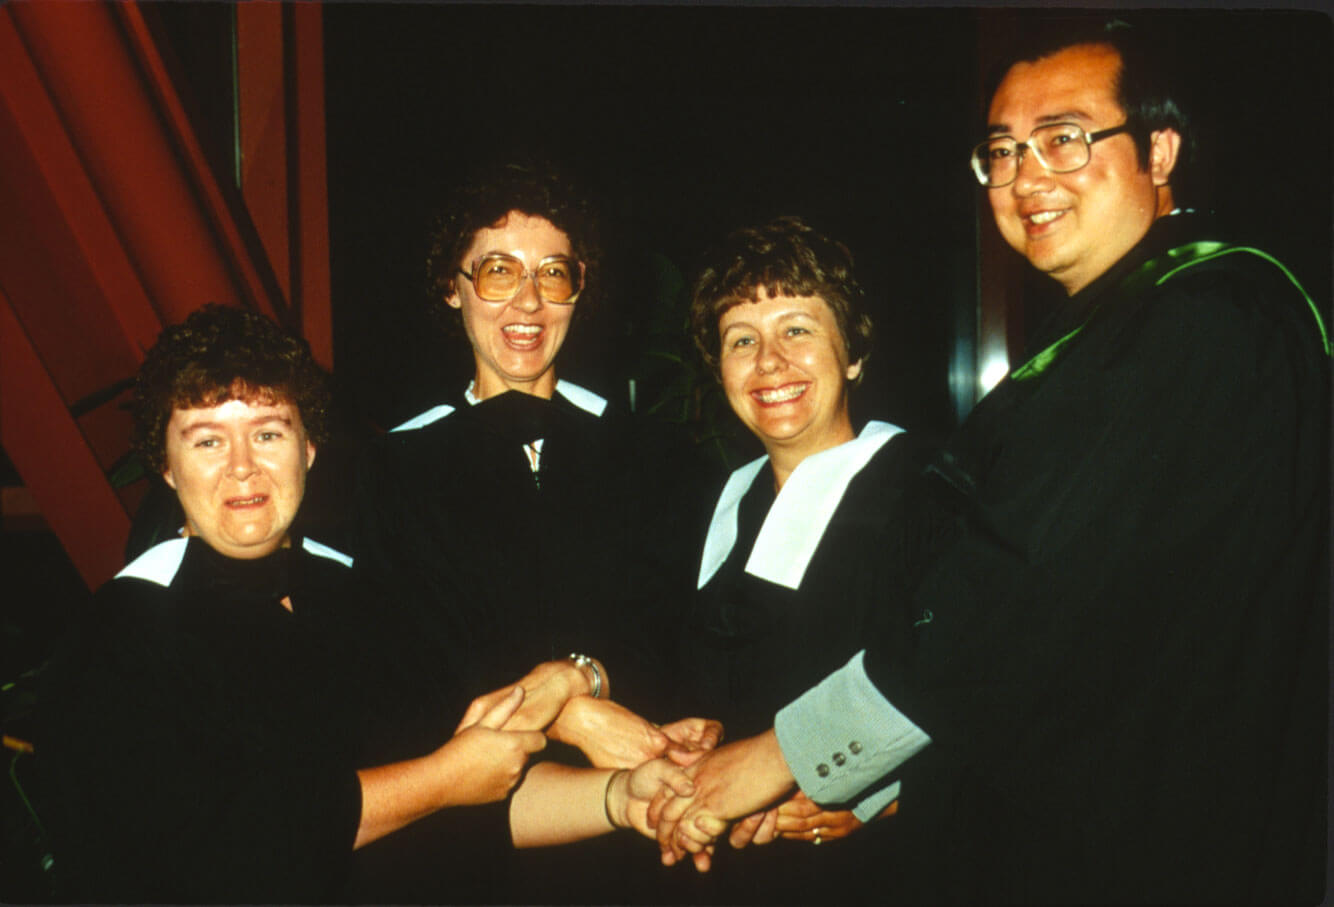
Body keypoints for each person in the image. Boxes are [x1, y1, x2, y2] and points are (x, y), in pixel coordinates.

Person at [650, 20, 1329, 904]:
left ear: (1160, 151)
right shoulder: (1123, 326)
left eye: (1065, 139)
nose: (1026, 176)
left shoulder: (1203, 319)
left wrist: (793, 764)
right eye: (1002, 151)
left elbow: (1015, 605)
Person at [33, 305, 695, 903]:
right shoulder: (122, 636)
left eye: (268, 432)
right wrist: (441, 777)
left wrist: (617, 798)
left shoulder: (364, 597)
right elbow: (230, 846)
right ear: (167, 467)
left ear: (309, 448)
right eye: (207, 440)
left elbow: (478, 789)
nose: (242, 466)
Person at [348, 161, 717, 901]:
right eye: (496, 270)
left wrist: (583, 677)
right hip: (472, 857)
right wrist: (576, 711)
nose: (526, 300)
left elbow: (683, 630)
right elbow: (412, 672)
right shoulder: (383, 474)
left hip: (648, 847)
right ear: (451, 288)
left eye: (553, 273)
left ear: (581, 289)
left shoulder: (663, 460)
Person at [669, 216, 945, 903]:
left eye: (796, 329)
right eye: (742, 340)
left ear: (852, 352)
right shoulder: (722, 499)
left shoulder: (926, 488)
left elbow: (986, 680)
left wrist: (881, 796)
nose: (769, 362)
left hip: (872, 878)